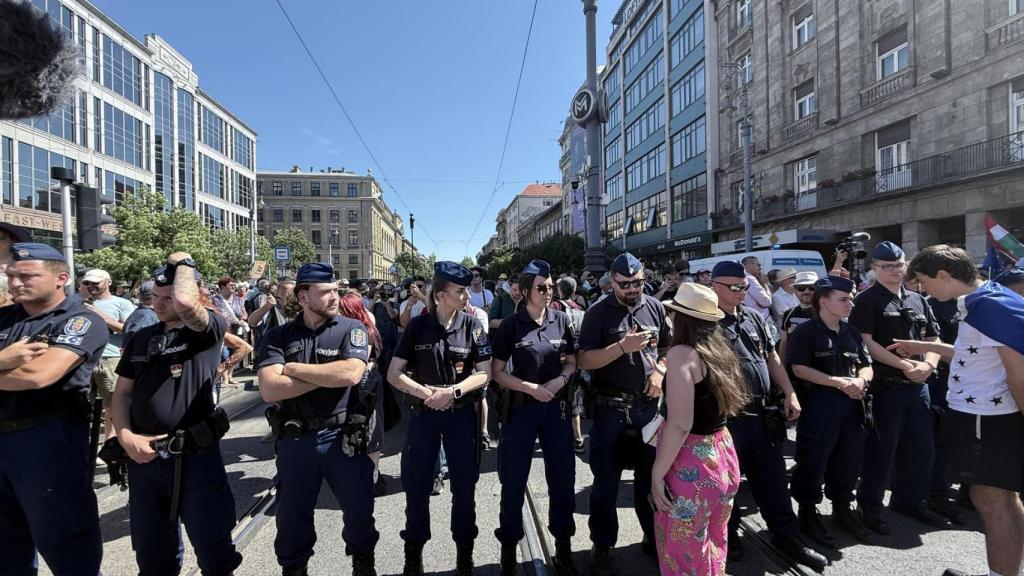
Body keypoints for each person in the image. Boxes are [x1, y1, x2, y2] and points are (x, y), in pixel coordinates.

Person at [893, 245, 1024, 576]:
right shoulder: (986, 298)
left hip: (986, 420)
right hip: (983, 417)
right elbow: (975, 353)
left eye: (923, 281)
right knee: (1001, 499)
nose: (923, 289)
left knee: (993, 501)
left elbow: (1018, 374)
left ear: (944, 275)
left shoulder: (988, 308)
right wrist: (925, 347)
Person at [111, 253, 242, 576]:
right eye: (155, 297)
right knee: (153, 554)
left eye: (167, 298)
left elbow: (186, 303)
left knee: (214, 550)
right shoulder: (142, 337)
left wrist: (184, 262)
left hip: (194, 456)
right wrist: (125, 437)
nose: (159, 304)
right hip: (145, 459)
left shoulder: (207, 328)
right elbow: (121, 393)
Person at [257, 263, 379, 576]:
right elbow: (270, 388)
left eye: (337, 291)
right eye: (326, 292)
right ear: (303, 295)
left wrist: (292, 369)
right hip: (296, 440)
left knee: (358, 512)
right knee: (292, 518)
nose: (334, 297)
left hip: (342, 436)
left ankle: (363, 563)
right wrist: (330, 375)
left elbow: (351, 373)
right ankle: (295, 569)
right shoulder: (278, 335)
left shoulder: (352, 328)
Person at [709, 260, 825, 571]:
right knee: (727, 484)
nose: (740, 293)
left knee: (773, 480)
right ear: (714, 287)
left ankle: (787, 536)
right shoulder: (705, 323)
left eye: (744, 287)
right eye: (734, 288)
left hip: (762, 416)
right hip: (727, 418)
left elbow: (772, 357)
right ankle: (728, 536)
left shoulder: (752, 318)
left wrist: (789, 392)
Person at [0, 242, 108, 575]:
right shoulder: (5, 317)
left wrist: (14, 366)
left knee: (67, 545)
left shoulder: (80, 321)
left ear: (61, 278)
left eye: (27, 276)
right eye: (12, 276)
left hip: (47, 441)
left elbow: (38, 374)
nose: (16, 283)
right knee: (6, 547)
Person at [387, 261, 491, 576]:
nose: (467, 297)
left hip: (461, 417)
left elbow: (484, 374)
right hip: (425, 416)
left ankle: (464, 556)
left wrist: (453, 393)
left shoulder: (473, 326)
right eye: (460, 291)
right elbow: (394, 373)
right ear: (440, 295)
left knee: (464, 488)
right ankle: (413, 557)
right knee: (417, 488)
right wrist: (426, 394)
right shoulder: (418, 327)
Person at [576, 252, 671, 573]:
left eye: (638, 282)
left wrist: (660, 370)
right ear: (612, 282)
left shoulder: (654, 306)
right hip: (609, 412)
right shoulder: (597, 313)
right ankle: (602, 544)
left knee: (651, 482)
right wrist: (621, 348)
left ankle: (651, 538)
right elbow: (584, 360)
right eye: (625, 284)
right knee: (606, 484)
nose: (633, 289)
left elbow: (669, 348)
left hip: (648, 410)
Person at [848, 241, 949, 533]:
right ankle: (870, 505)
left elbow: (933, 339)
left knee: (921, 448)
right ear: (875, 269)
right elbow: (866, 343)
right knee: (883, 450)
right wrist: (905, 366)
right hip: (887, 387)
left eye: (899, 265)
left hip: (919, 386)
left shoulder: (918, 299)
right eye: (887, 266)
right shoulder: (867, 300)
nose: (894, 271)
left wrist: (928, 366)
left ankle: (911, 501)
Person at [491, 260, 579, 576]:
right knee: (513, 482)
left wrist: (560, 381)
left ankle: (564, 545)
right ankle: (508, 550)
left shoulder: (562, 319)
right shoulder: (511, 326)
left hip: (555, 410)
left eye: (551, 287)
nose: (547, 292)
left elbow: (571, 362)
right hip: (521, 411)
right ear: (526, 291)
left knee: (562, 480)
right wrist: (529, 388)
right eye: (541, 287)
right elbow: (497, 373)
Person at [652, 283, 746, 576]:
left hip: (692, 463)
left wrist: (656, 473)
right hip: (723, 456)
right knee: (714, 542)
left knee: (683, 554)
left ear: (681, 316)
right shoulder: (719, 349)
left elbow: (681, 423)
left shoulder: (682, 353)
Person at [786, 276, 875, 547]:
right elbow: (798, 367)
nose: (850, 304)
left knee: (848, 460)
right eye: (844, 299)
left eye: (850, 299)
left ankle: (842, 508)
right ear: (823, 301)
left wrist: (861, 379)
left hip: (852, 407)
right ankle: (808, 512)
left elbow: (866, 363)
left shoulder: (850, 332)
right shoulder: (806, 332)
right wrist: (836, 382)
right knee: (813, 460)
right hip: (819, 407)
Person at [925, 280, 969, 526]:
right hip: (945, 381)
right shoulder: (932, 304)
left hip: (974, 385)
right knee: (943, 440)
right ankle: (937, 494)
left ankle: (968, 491)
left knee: (969, 441)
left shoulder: (973, 304)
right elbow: (933, 344)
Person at [81, 267, 136, 441]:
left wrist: (103, 317)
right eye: (87, 283)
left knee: (113, 404)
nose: (91, 286)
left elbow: (130, 329)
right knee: (80, 403)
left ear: (108, 282)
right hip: (83, 359)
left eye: (96, 282)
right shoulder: (77, 302)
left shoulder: (122, 303)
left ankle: (110, 443)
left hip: (110, 358)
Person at [777, 271, 818, 361]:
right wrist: (782, 368)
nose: (806, 291)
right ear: (795, 290)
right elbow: (784, 342)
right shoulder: (789, 313)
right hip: (793, 367)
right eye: (801, 288)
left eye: (812, 287)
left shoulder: (825, 313)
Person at [741, 256, 773, 323]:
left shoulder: (745, 278)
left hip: (753, 318)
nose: (760, 268)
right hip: (759, 320)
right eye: (758, 265)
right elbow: (767, 302)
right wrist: (765, 284)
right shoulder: (749, 278)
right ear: (748, 265)